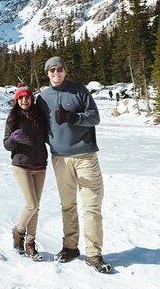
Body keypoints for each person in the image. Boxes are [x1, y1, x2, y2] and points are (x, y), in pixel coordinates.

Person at [36, 56, 111, 273]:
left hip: (85, 156)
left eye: (59, 69)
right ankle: (70, 247)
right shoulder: (43, 98)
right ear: (47, 73)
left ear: (65, 71)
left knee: (92, 207)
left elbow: (95, 118)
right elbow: (39, 126)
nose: (56, 73)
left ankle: (94, 253)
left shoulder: (79, 91)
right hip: (59, 158)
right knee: (67, 205)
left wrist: (72, 117)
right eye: (52, 70)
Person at [3, 82, 48, 261]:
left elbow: (49, 136)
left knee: (36, 208)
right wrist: (14, 138)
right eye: (20, 97)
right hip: (21, 164)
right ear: (17, 100)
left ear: (31, 98)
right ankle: (19, 231)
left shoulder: (40, 116)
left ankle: (30, 244)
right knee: (31, 205)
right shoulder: (13, 118)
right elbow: (6, 144)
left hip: (40, 164)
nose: (24, 100)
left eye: (26, 96)